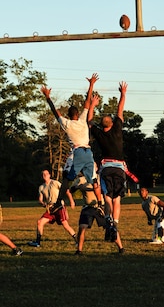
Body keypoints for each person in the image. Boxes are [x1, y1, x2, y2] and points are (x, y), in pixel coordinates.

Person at [41, 73, 102, 211]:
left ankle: (58, 202)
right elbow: (87, 103)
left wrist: (48, 97)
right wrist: (91, 84)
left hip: (78, 152)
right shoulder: (83, 121)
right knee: (93, 180)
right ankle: (100, 203)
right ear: (78, 113)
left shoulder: (67, 124)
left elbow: (55, 112)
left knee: (67, 178)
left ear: (68, 115)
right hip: (89, 153)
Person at [88, 81, 128, 244]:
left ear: (102, 125)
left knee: (107, 198)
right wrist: (123, 93)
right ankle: (115, 223)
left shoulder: (99, 134)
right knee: (117, 199)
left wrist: (92, 104)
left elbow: (89, 120)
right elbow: (120, 110)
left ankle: (108, 220)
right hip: (119, 168)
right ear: (112, 123)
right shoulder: (117, 128)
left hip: (105, 169)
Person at [69, 172, 124, 255]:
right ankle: (79, 250)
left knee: (110, 226)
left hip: (100, 207)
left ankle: (121, 248)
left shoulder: (101, 178)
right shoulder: (81, 180)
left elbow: (105, 190)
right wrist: (76, 188)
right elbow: (71, 190)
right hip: (88, 207)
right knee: (82, 227)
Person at [28, 169, 77, 248]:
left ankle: (77, 240)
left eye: (46, 174)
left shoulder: (55, 183)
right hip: (50, 209)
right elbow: (40, 199)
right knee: (40, 222)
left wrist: (72, 201)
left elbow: (66, 191)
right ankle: (37, 242)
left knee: (65, 224)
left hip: (59, 207)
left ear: (49, 175)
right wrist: (42, 203)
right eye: (43, 174)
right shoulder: (41, 187)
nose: (45, 175)